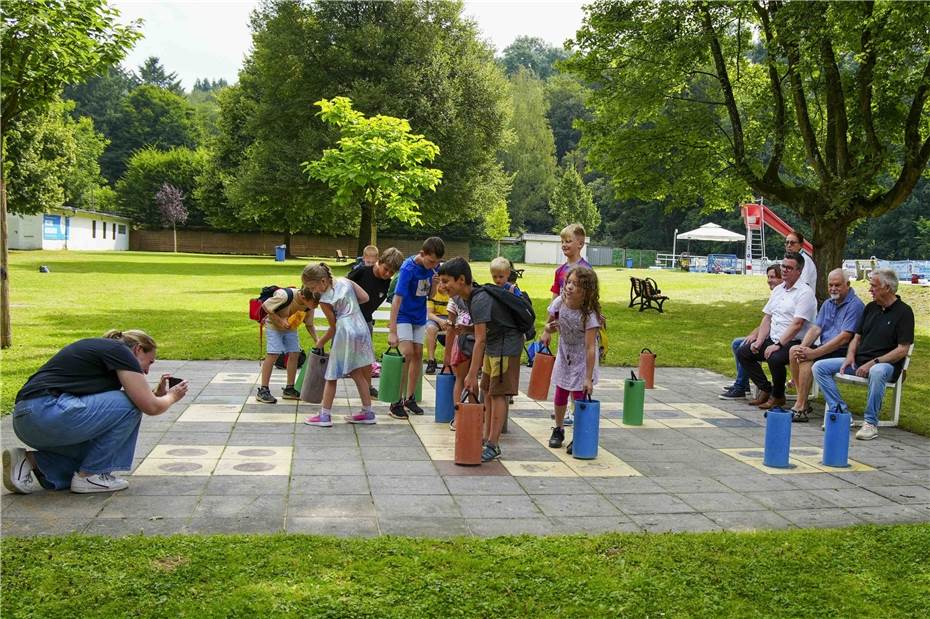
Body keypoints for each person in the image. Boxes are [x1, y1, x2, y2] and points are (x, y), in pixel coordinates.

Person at [3, 330, 188, 494]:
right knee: (131, 406)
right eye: (149, 362)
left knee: (95, 454)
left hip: (27, 420)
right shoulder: (120, 352)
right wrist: (172, 396)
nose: (147, 371)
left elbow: (105, 408)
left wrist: (156, 395)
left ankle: (28, 460)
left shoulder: (102, 354)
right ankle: (91, 476)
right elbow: (150, 407)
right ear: (138, 349)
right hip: (47, 411)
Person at [438, 257, 525, 463]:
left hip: (506, 344)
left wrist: (470, 374)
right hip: (495, 343)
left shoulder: (478, 299)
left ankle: (494, 445)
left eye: (445, 281)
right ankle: (486, 437)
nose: (442, 286)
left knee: (498, 394)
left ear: (461, 280)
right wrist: (466, 329)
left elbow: (481, 339)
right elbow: (483, 329)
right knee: (487, 390)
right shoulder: (470, 297)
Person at [813, 268, 915, 440]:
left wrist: (874, 362)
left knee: (877, 371)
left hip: (886, 365)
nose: (870, 290)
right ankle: (842, 412)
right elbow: (857, 337)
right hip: (859, 362)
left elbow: (902, 350)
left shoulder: (904, 312)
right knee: (819, 366)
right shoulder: (870, 308)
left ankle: (870, 423)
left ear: (887, 288)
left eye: (874, 286)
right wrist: (850, 356)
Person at [736, 252, 817, 410]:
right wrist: (759, 341)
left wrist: (778, 344)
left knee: (774, 357)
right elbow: (767, 318)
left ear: (798, 271)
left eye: (789, 267)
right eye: (783, 266)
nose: (784, 270)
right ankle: (767, 389)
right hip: (773, 338)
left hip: (796, 341)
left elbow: (797, 324)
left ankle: (778, 396)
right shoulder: (778, 289)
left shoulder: (805, 293)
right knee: (743, 352)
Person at [301, 263, 377, 427]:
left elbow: (333, 327)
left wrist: (321, 341)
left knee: (331, 374)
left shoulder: (325, 299)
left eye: (313, 287)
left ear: (323, 281)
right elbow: (365, 297)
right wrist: (350, 305)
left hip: (345, 332)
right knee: (357, 372)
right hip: (361, 327)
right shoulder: (346, 281)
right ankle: (368, 411)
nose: (314, 291)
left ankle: (325, 415)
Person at [787, 269, 865, 422]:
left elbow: (844, 338)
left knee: (807, 359)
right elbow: (816, 328)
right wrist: (803, 347)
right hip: (827, 348)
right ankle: (801, 399)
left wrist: (813, 354)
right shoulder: (829, 303)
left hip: (844, 352)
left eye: (837, 285)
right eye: (830, 285)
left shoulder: (855, 305)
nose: (833, 289)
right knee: (794, 351)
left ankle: (800, 405)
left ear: (847, 285)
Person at [540, 267, 602, 452]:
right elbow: (549, 321)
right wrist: (547, 331)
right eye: (568, 282)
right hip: (564, 352)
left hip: (583, 357)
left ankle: (579, 435)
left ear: (586, 291)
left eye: (575, 284)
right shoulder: (560, 302)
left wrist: (588, 378)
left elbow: (591, 347)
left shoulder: (589, 314)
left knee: (579, 396)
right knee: (560, 392)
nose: (569, 287)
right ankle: (558, 429)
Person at [387, 237, 445, 419]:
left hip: (419, 317)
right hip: (404, 316)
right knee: (407, 354)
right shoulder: (408, 268)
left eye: (437, 262)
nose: (434, 265)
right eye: (431, 261)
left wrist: (435, 284)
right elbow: (397, 300)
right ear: (422, 254)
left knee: (419, 354)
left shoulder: (432, 269)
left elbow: (430, 294)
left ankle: (410, 398)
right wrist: (392, 329)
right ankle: (395, 401)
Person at [346, 247, 404, 396]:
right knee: (340, 355)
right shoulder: (362, 272)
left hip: (365, 321)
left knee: (367, 357)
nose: (387, 274)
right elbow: (342, 287)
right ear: (380, 261)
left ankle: (368, 387)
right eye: (386, 269)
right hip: (347, 318)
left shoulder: (386, 284)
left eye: (392, 272)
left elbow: (373, 304)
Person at [720, 264, 783, 399]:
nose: (769, 280)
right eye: (768, 277)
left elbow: (778, 323)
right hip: (769, 335)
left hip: (779, 339)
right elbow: (768, 319)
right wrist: (755, 334)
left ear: (782, 278)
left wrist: (758, 338)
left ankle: (740, 387)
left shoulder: (785, 295)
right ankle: (743, 383)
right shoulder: (776, 294)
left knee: (742, 346)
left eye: (773, 277)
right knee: (737, 343)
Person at [256, 284, 316, 404]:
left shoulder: (310, 305)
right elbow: (266, 306)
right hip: (273, 326)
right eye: (315, 303)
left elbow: (309, 324)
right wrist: (279, 320)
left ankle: (289, 389)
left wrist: (317, 340)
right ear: (303, 297)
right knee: (273, 354)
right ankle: (263, 390)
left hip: (290, 328)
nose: (317, 305)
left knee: (295, 353)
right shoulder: (284, 296)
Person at [443, 279, 475, 432]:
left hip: (476, 341)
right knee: (460, 378)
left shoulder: (478, 296)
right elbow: (450, 325)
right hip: (461, 342)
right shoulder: (454, 299)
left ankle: (474, 415)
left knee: (472, 379)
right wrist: (447, 355)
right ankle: (458, 416)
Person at [551, 223, 591, 299]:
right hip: (562, 310)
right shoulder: (559, 271)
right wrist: (551, 310)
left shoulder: (586, 269)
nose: (564, 244)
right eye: (562, 242)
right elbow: (555, 295)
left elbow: (591, 296)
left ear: (580, 244)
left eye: (568, 241)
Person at [424, 274, 451, 375]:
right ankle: (431, 360)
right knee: (430, 328)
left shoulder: (452, 294)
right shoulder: (433, 293)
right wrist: (440, 321)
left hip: (449, 318)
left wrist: (448, 322)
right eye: (438, 281)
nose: (441, 284)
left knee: (452, 330)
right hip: (435, 318)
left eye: (443, 282)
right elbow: (430, 314)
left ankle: (447, 362)